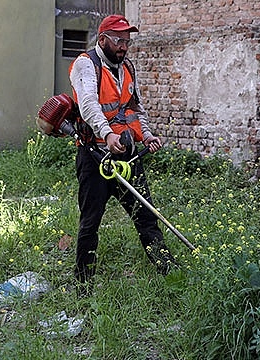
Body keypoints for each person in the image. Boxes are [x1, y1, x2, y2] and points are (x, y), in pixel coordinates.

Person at [69, 14, 175, 284]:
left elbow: (135, 106)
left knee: (147, 217)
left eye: (127, 42)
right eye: (118, 41)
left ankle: (170, 274)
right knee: (90, 223)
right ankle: (84, 286)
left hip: (127, 154)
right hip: (96, 157)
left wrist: (147, 135)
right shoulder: (86, 65)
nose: (124, 47)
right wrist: (106, 134)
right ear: (102, 39)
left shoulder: (127, 66)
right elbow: (89, 105)